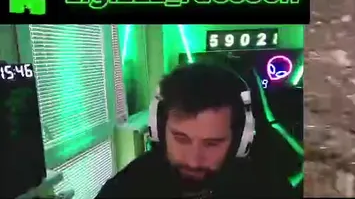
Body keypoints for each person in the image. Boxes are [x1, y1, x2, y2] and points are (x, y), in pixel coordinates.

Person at [95, 62, 296, 198]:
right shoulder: (125, 190)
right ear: (159, 132)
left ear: (240, 140)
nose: (194, 161)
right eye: (181, 138)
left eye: (212, 143)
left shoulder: (269, 189)